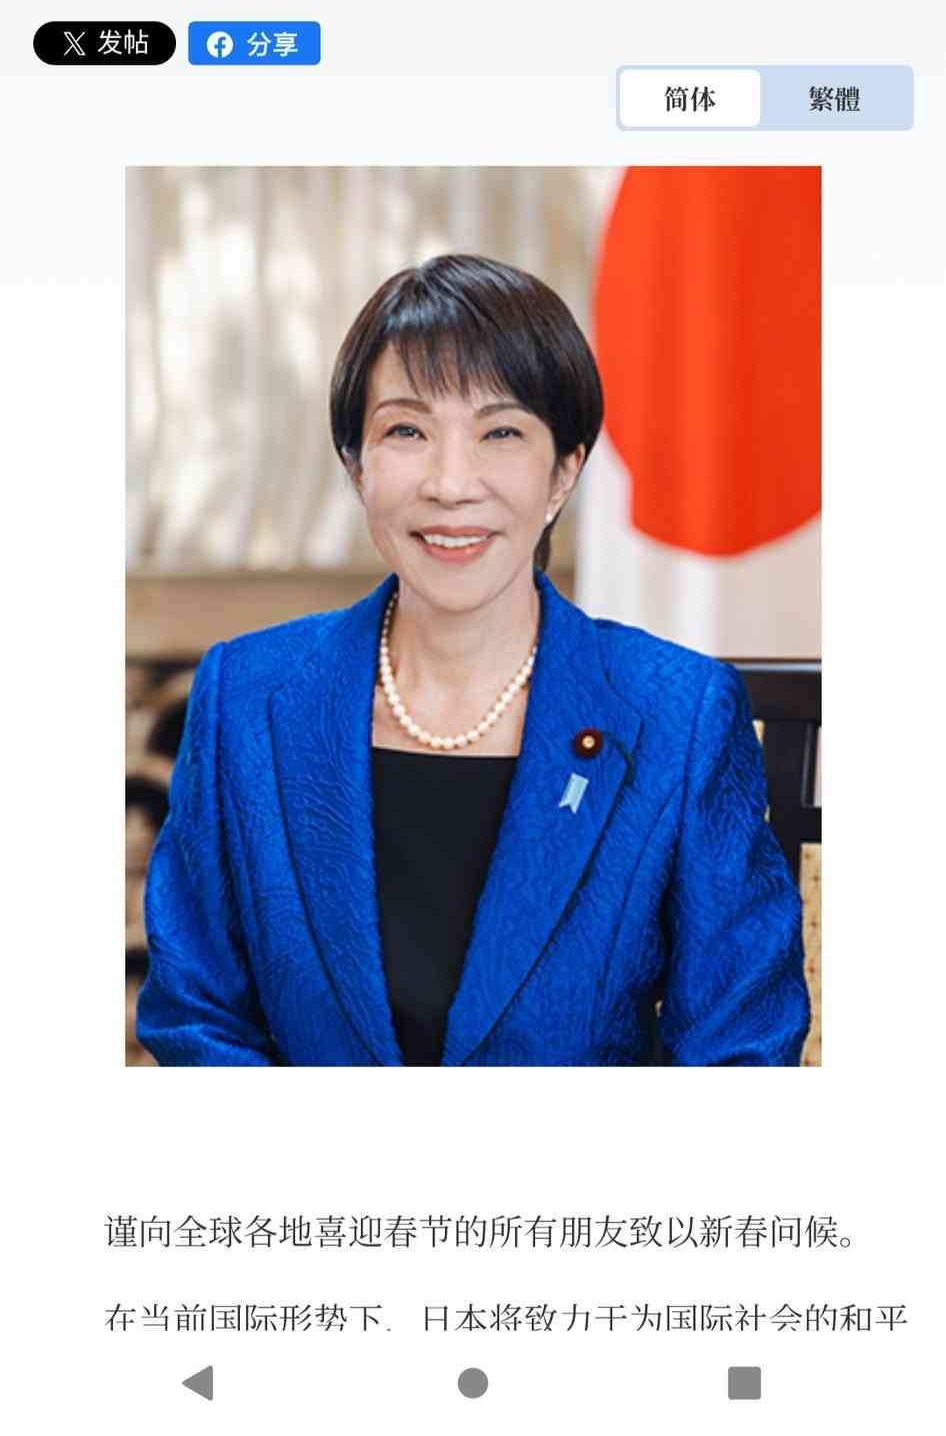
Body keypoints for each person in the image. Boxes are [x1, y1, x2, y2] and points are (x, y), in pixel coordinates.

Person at [137, 252, 810, 1067]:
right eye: (407, 431)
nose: (452, 484)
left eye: (501, 432)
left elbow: (742, 1051)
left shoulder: (680, 714)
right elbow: (196, 1017)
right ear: (356, 464)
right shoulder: (246, 697)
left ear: (564, 471)